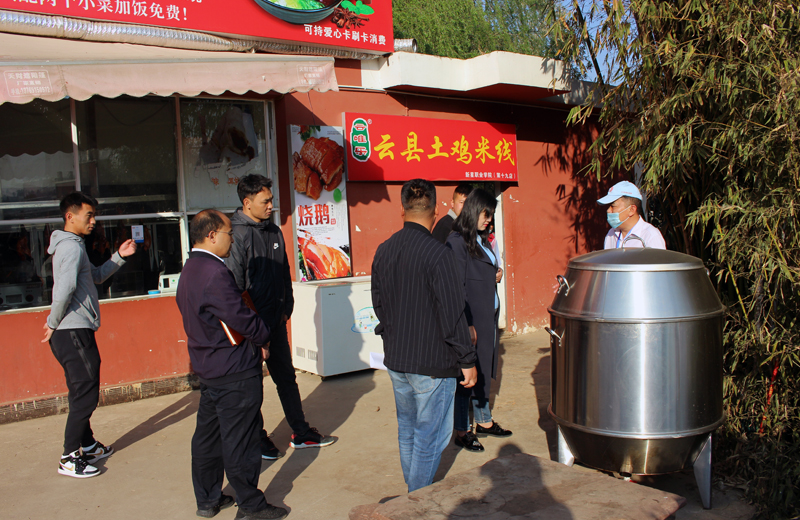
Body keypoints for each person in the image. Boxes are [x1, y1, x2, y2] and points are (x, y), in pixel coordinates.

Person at [176, 209, 288, 520]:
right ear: (211, 236)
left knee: (208, 438)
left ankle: (208, 499)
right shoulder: (215, 272)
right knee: (241, 439)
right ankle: (251, 505)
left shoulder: (190, 269)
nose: (233, 240)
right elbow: (240, 317)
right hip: (233, 369)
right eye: (229, 234)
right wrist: (264, 336)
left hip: (209, 367)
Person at [371, 178, 478, 492]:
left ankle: (411, 494)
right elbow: (453, 313)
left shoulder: (384, 250)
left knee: (408, 430)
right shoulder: (438, 254)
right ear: (435, 211)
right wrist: (467, 359)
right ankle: (415, 500)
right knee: (429, 437)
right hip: (433, 363)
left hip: (397, 358)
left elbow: (379, 303)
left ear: (402, 210)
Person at [226, 174, 335, 459]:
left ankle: (301, 431)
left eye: (271, 200)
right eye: (265, 201)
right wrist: (252, 329)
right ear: (247, 203)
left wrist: (287, 307)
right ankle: (257, 438)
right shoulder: (236, 235)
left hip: (275, 323)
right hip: (252, 328)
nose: (271, 205)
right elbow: (235, 289)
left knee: (286, 378)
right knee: (253, 387)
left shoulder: (273, 231)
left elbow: (284, 271)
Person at [42, 192, 137, 478]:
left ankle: (87, 445)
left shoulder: (74, 245)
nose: (93, 221)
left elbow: (94, 277)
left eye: (94, 215)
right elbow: (64, 289)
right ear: (70, 216)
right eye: (89, 215)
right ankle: (69, 458)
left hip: (73, 329)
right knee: (85, 393)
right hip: (71, 330)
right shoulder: (70, 248)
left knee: (80, 390)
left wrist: (119, 257)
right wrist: (52, 322)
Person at [446, 188, 512, 452]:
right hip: (471, 320)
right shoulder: (457, 241)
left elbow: (483, 268)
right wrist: (465, 324)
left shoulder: (480, 238)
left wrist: (495, 273)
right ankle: (462, 430)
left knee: (483, 369)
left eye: (491, 214)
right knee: (467, 374)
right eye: (486, 214)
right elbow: (456, 287)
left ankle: (484, 421)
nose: (489, 219)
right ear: (474, 210)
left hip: (487, 317)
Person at [597, 181, 666, 249]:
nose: (608, 210)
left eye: (613, 206)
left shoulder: (650, 236)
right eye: (609, 206)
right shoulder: (611, 234)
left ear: (632, 210)